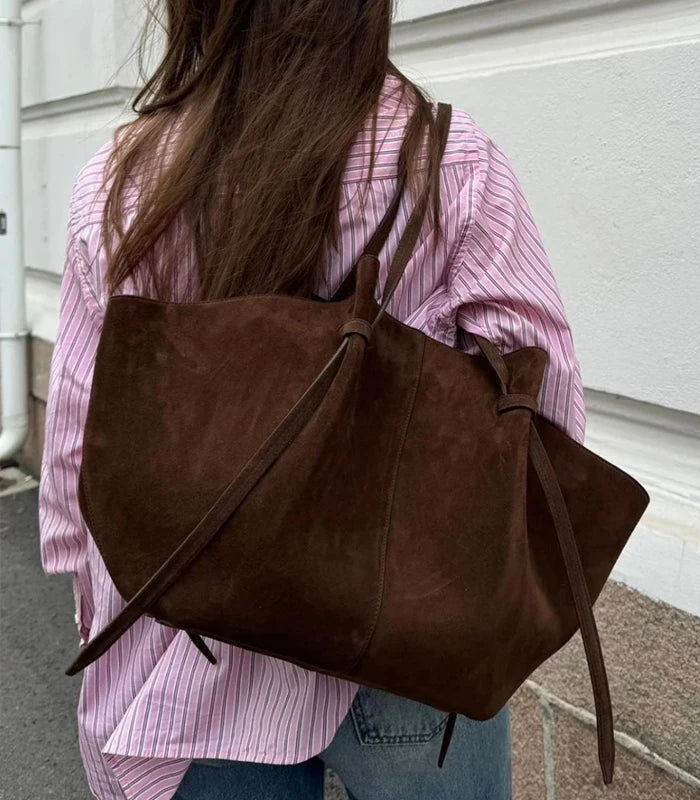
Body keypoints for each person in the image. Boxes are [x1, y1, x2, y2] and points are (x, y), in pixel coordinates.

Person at [39, 2, 585, 798]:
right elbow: (549, 405)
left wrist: (98, 613)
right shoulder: (449, 161)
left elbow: (78, 450)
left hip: (193, 649)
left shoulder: (123, 183)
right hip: (406, 636)